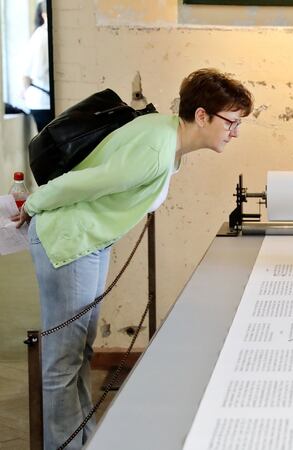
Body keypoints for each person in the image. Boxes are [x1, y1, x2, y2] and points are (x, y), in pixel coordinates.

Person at [11, 68, 253, 449]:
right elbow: (82, 183)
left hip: (88, 241)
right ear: (203, 115)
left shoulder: (164, 132)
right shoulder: (157, 152)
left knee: (78, 353)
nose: (234, 133)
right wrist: (35, 205)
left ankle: (82, 439)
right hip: (71, 242)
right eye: (231, 122)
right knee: (62, 362)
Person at [21, 1, 53, 132]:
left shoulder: (38, 36)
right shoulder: (43, 36)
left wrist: (24, 90)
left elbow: (25, 74)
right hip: (44, 100)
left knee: (46, 144)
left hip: (39, 100)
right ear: (44, 14)